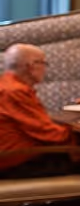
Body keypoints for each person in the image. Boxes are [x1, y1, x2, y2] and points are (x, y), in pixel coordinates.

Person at [0, 44, 73, 176]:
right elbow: (52, 135)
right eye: (44, 63)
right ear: (31, 66)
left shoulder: (5, 85)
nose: (45, 69)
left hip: (12, 156)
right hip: (14, 161)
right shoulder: (15, 91)